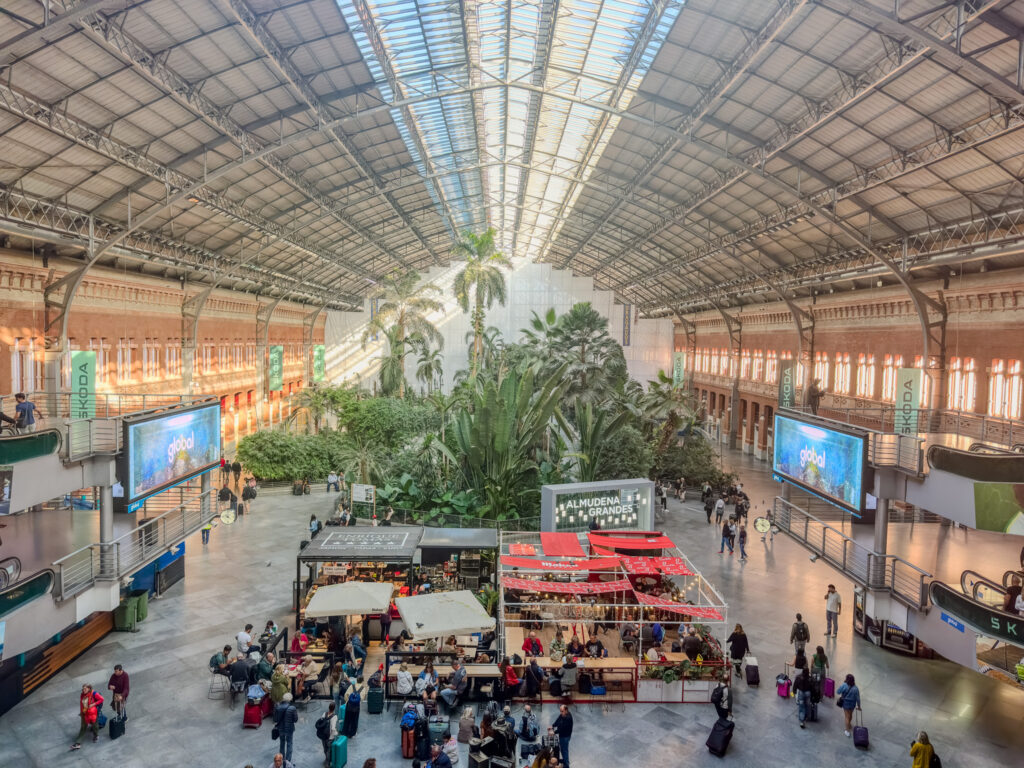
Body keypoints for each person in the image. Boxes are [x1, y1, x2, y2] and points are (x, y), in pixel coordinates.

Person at [70, 684, 103, 749]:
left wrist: (93, 704)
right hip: (85, 713)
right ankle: (78, 743)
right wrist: (82, 712)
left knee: (95, 726)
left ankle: (96, 735)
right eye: (83, 689)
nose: (83, 690)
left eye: (85, 689)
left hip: (92, 713)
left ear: (89, 688)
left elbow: (101, 699)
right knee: (83, 727)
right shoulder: (82, 694)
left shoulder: (94, 693)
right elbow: (82, 704)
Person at [274, 692, 298, 761]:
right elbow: (295, 720)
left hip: (280, 729)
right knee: (289, 744)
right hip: (289, 729)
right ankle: (288, 762)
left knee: (282, 743)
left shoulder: (277, 706)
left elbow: (275, 719)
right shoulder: (292, 708)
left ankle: (281, 760)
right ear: (290, 699)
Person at [552, 704, 573, 768]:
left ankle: (566, 765)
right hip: (562, 736)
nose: (561, 713)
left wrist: (554, 732)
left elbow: (562, 728)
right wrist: (553, 725)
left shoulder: (568, 718)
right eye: (560, 711)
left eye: (562, 711)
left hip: (565, 737)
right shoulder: (563, 715)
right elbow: (558, 720)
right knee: (563, 749)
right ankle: (565, 761)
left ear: (566, 710)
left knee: (564, 751)